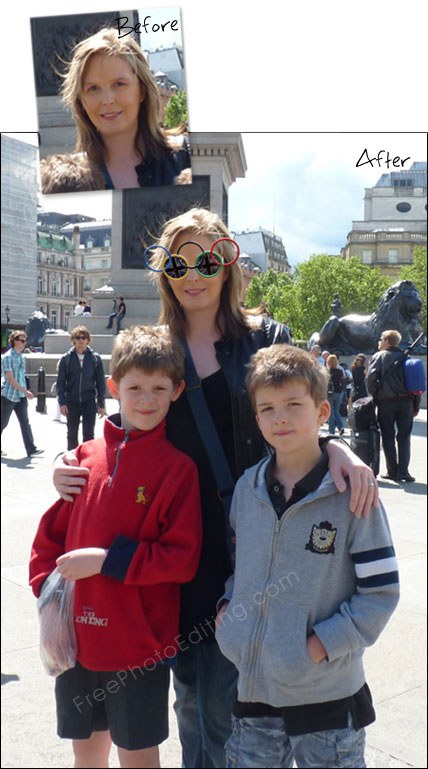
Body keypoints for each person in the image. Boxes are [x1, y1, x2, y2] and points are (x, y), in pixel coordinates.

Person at [53, 207, 379, 768]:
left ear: (229, 266)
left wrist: (338, 447)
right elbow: (129, 424)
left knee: (234, 701)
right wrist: (72, 458)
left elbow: (300, 409)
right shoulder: (157, 347)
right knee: (189, 699)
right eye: (180, 261)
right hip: (177, 543)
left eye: (210, 258)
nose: (195, 273)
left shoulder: (266, 336)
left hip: (257, 535)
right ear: (165, 270)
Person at [215, 345, 399, 768]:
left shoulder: (353, 494)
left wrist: (319, 647)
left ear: (321, 412)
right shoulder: (248, 488)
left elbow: (380, 591)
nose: (280, 417)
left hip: (326, 695)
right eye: (267, 408)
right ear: (256, 417)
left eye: (293, 405)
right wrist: (230, 612)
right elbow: (241, 568)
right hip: (254, 688)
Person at [29, 325, 202, 768]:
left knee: (138, 754)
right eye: (135, 388)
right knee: (86, 751)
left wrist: (107, 562)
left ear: (177, 390)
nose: (147, 399)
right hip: (77, 643)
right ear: (114, 388)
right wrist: (47, 594)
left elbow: (181, 559)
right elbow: (49, 537)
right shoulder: (83, 457)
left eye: (159, 389)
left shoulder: (178, 469)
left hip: (137, 647)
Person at [40, 28, 191, 193]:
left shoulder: (188, 155)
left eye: (119, 84)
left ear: (141, 90)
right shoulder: (68, 182)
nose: (107, 100)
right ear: (80, 101)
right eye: (93, 88)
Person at [367, 329, 419, 483]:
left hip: (386, 403)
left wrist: (373, 396)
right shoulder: (406, 357)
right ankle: (404, 472)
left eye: (381, 338)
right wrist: (415, 406)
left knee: (388, 436)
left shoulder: (379, 356)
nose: (379, 341)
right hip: (406, 403)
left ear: (387, 341)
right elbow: (415, 384)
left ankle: (392, 471)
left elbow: (370, 378)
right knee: (404, 437)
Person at [56, 326, 106, 450]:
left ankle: (87, 461)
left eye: (83, 338)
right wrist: (62, 403)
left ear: (88, 340)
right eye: (77, 338)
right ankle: (72, 461)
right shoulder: (66, 358)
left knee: (89, 436)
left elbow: (100, 383)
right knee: (72, 435)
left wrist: (101, 404)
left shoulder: (95, 358)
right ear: (73, 340)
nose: (81, 340)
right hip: (71, 402)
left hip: (89, 401)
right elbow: (60, 383)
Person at [1, 330, 43, 458]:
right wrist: (25, 391)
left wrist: (26, 390)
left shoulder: (21, 357)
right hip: (9, 395)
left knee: (25, 422)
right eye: (22, 340)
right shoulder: (7, 357)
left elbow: (21, 376)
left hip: (20, 396)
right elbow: (10, 379)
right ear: (14, 341)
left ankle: (31, 449)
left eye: (25, 340)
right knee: (2, 423)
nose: (25, 343)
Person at [326, 354, 346, 435]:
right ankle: (341, 426)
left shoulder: (326, 371)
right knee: (337, 411)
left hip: (330, 393)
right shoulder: (340, 371)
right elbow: (344, 378)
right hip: (339, 392)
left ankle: (331, 432)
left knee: (331, 413)